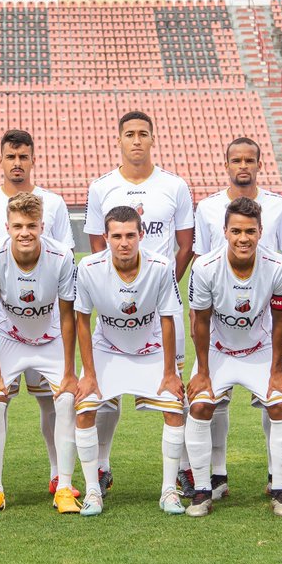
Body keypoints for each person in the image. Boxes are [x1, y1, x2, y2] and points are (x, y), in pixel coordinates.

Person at [83, 111, 193, 492]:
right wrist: (120, 289)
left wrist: (156, 287)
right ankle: (100, 464)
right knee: (104, 396)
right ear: (119, 140)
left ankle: (183, 468)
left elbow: (186, 244)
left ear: (152, 139)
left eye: (142, 134)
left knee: (173, 387)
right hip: (114, 311)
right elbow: (98, 245)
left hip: (161, 304)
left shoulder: (175, 185)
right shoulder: (101, 187)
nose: (136, 140)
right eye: (129, 134)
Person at [192, 136, 282, 500]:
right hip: (220, 330)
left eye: (249, 160)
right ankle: (211, 481)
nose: (242, 165)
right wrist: (203, 368)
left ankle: (278, 482)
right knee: (207, 401)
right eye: (235, 160)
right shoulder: (207, 209)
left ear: (260, 164)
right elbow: (200, 307)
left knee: (278, 399)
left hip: (261, 333)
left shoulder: (276, 208)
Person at [0, 130, 75, 497]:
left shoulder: (54, 204)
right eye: (10, 157)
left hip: (48, 327)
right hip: (7, 325)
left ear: (32, 159)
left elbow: (63, 266)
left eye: (23, 157)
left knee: (53, 400)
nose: (17, 163)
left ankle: (60, 475)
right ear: (0, 160)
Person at [73, 205, 185, 516]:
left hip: (149, 349)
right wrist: (89, 374)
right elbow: (82, 320)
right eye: (117, 236)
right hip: (107, 348)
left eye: (131, 235)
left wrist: (170, 371)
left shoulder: (161, 266)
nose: (124, 242)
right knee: (84, 410)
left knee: (175, 410)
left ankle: (169, 490)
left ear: (142, 235)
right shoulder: (88, 268)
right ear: (105, 237)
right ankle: (94, 491)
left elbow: (167, 318)